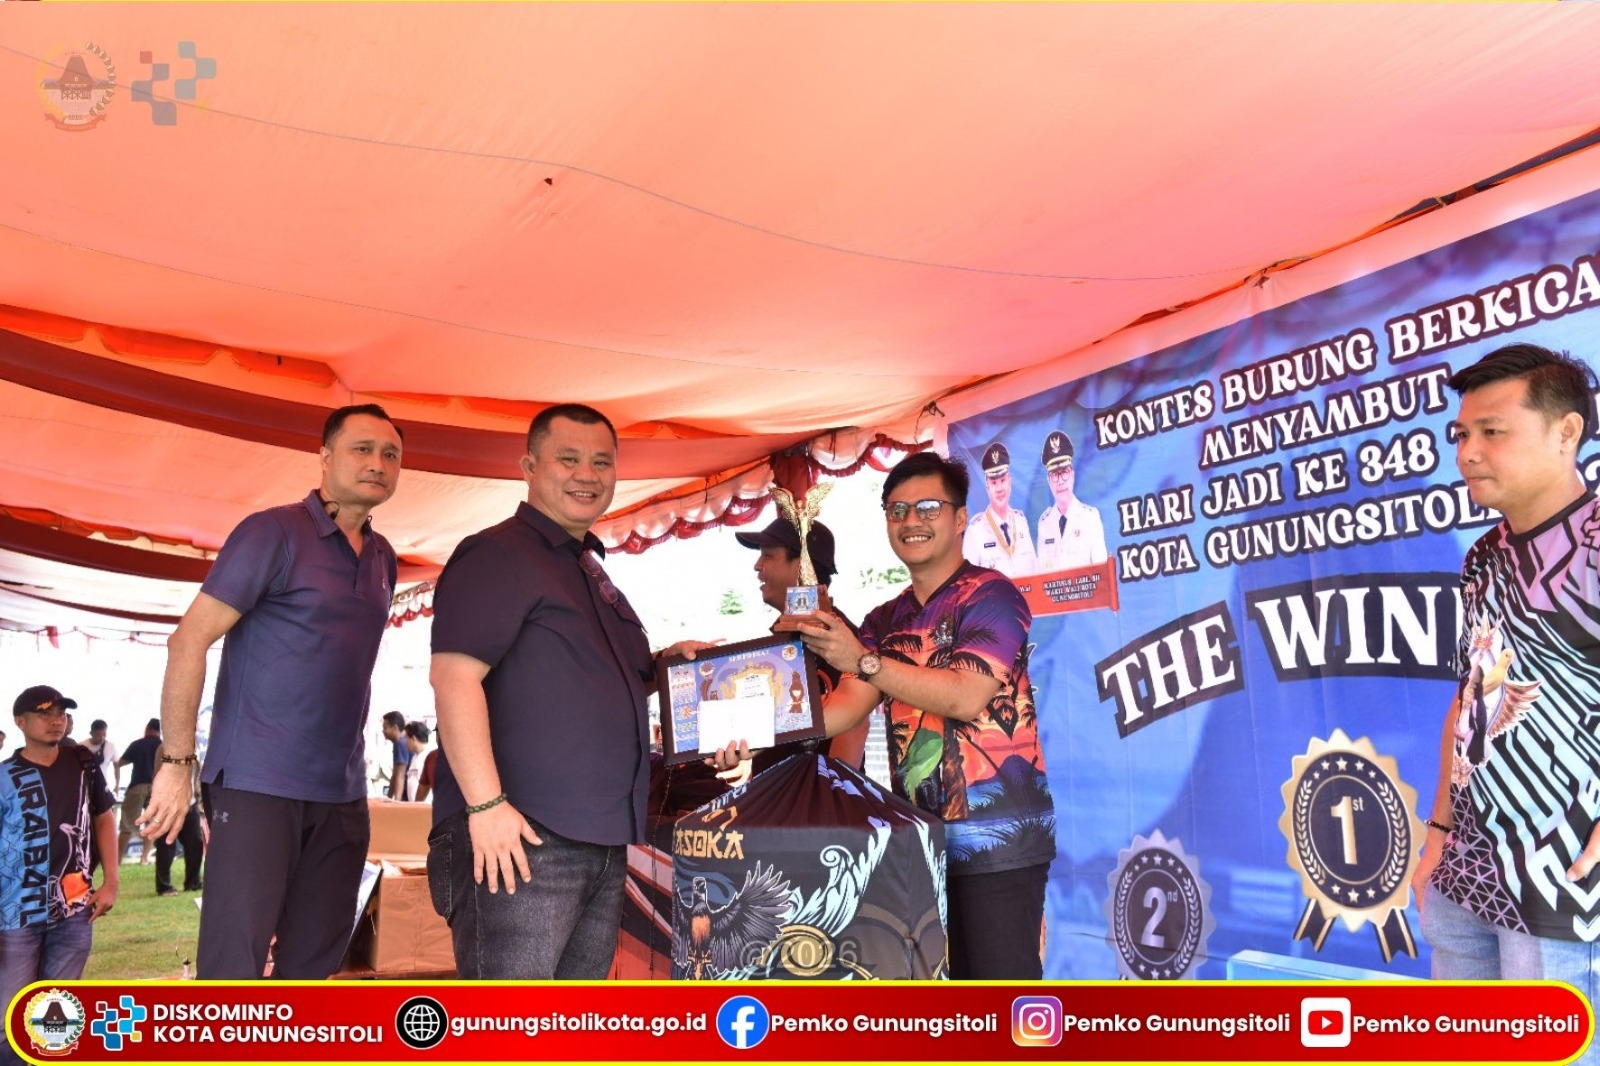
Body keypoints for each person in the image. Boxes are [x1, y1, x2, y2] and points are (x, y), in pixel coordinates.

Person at [715, 450, 1057, 978]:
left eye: (928, 507)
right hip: (918, 845)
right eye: (897, 510)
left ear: (960, 519)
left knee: (1000, 1001)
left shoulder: (992, 595)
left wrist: (864, 661)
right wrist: (747, 732)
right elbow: (843, 708)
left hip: (999, 841)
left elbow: (965, 696)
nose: (911, 521)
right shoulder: (884, 619)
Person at [428, 403, 699, 979]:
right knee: (510, 1022)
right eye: (568, 459)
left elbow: (603, 683)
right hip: (520, 834)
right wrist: (486, 807)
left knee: (568, 1022)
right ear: (529, 466)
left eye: (602, 462)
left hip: (602, 838)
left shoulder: (587, 568)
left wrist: (670, 669)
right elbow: (453, 677)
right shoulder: (498, 553)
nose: (587, 475)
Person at [140, 403, 402, 980]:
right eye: (362, 449)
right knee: (235, 962)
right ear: (325, 457)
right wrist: (176, 764)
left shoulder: (386, 558)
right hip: (258, 782)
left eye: (390, 454)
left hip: (343, 791)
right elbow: (188, 641)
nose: (378, 463)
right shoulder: (273, 532)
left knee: (315, 961)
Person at [1412, 343, 1600, 1010]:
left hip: (1565, 887)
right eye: (1462, 434)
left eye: (1492, 431)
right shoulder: (1484, 557)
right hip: (1466, 873)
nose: (1468, 453)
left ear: (1566, 432)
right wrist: (1437, 836)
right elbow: (1470, 695)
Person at [1, 686, 118, 1020]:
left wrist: (111, 882)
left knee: (57, 1012)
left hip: (74, 907)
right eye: (44, 713)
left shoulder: (83, 763)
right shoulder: (4, 778)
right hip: (15, 913)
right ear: (20, 721)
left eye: (61, 713)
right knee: (9, 1015)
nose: (56, 720)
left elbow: (103, 817)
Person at [734, 516, 871, 773]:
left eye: (768, 556)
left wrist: (832, 791)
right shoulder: (792, 632)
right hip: (784, 792)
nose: (757, 566)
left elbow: (855, 725)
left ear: (802, 565)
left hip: (815, 795)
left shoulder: (833, 636)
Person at [1034, 430, 1108, 571]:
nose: (1060, 481)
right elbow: (1043, 575)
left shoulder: (1090, 518)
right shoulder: (1044, 523)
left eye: (1064, 473)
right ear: (1048, 480)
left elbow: (1102, 573)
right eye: (1054, 475)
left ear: (1072, 475)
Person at [962, 440, 1037, 577]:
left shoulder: (1021, 521)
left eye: (1003, 480)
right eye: (994, 482)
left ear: (1010, 482)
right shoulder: (975, 531)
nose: (999, 488)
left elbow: (1034, 570)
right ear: (987, 487)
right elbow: (967, 581)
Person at [151, 742, 205, 897]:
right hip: (169, 804)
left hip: (190, 804)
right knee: (166, 845)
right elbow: (158, 773)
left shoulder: (195, 747)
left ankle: (193, 882)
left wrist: (199, 798)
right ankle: (164, 886)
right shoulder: (165, 747)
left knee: (195, 843)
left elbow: (197, 775)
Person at [116, 719, 161, 865]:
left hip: (137, 785)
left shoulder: (137, 744)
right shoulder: (163, 746)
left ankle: (118, 859)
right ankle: (144, 858)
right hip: (157, 788)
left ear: (147, 728)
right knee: (151, 824)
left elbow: (120, 763)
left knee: (127, 824)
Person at [82, 719, 121, 794]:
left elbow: (117, 767)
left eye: (104, 734)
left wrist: (117, 785)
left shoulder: (111, 746)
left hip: (102, 786)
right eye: (98, 734)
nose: (102, 737)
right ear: (91, 733)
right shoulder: (82, 746)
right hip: (85, 785)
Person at [382, 711, 412, 800]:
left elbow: (400, 775)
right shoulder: (402, 741)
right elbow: (395, 774)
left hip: (406, 795)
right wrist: (388, 798)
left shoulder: (400, 743)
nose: (383, 731)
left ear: (395, 728)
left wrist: (397, 802)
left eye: (385, 728)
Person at [403, 721, 430, 802]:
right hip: (415, 806)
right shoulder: (415, 757)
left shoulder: (429, 757)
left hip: (426, 806)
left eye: (406, 738)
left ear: (413, 738)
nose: (405, 742)